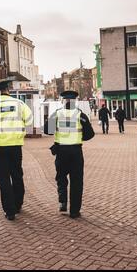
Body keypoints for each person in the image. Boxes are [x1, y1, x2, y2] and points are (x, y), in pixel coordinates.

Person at [0, 79, 33, 221]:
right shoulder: (19, 104)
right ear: (9, 89)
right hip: (15, 145)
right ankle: (18, 204)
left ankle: (10, 212)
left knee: (3, 178)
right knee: (17, 175)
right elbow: (30, 120)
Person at [44, 90, 95, 219]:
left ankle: (62, 202)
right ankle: (74, 211)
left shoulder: (56, 114)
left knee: (61, 177)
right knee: (77, 181)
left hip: (61, 151)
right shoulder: (81, 115)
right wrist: (78, 138)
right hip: (76, 151)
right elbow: (90, 134)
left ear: (63, 101)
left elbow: (47, 131)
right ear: (75, 101)